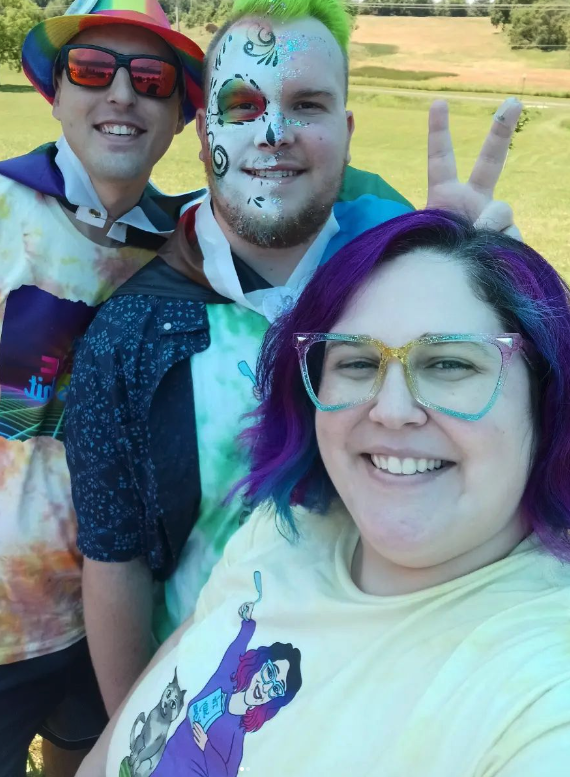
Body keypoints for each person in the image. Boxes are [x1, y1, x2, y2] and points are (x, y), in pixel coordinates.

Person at [65, 0, 522, 716]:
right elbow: (114, 561)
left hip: (392, 698)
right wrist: (131, 738)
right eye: (243, 106)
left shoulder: (398, 292)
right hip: (205, 711)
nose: (273, 132)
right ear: (205, 131)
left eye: (306, 105)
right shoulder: (130, 333)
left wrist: (481, 285)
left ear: (347, 127)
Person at [79, 208, 570, 777]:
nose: (392, 410)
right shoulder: (279, 533)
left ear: (545, 397)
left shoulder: (537, 692)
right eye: (357, 361)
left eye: (449, 362)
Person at [0, 0, 205, 777]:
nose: (123, 94)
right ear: (56, 91)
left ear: (181, 116)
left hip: (119, 616)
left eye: (153, 79)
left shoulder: (188, 254)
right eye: (94, 70)